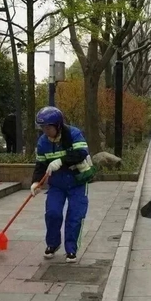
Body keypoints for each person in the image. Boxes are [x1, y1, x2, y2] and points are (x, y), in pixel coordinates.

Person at [30, 106, 93, 263]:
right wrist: (36, 182)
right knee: (52, 213)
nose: (45, 130)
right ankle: (53, 243)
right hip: (57, 185)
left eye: (48, 127)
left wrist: (61, 161)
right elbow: (41, 164)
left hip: (77, 182)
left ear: (58, 125)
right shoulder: (43, 142)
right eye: (43, 127)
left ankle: (71, 249)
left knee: (75, 216)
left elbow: (81, 153)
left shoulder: (73, 134)